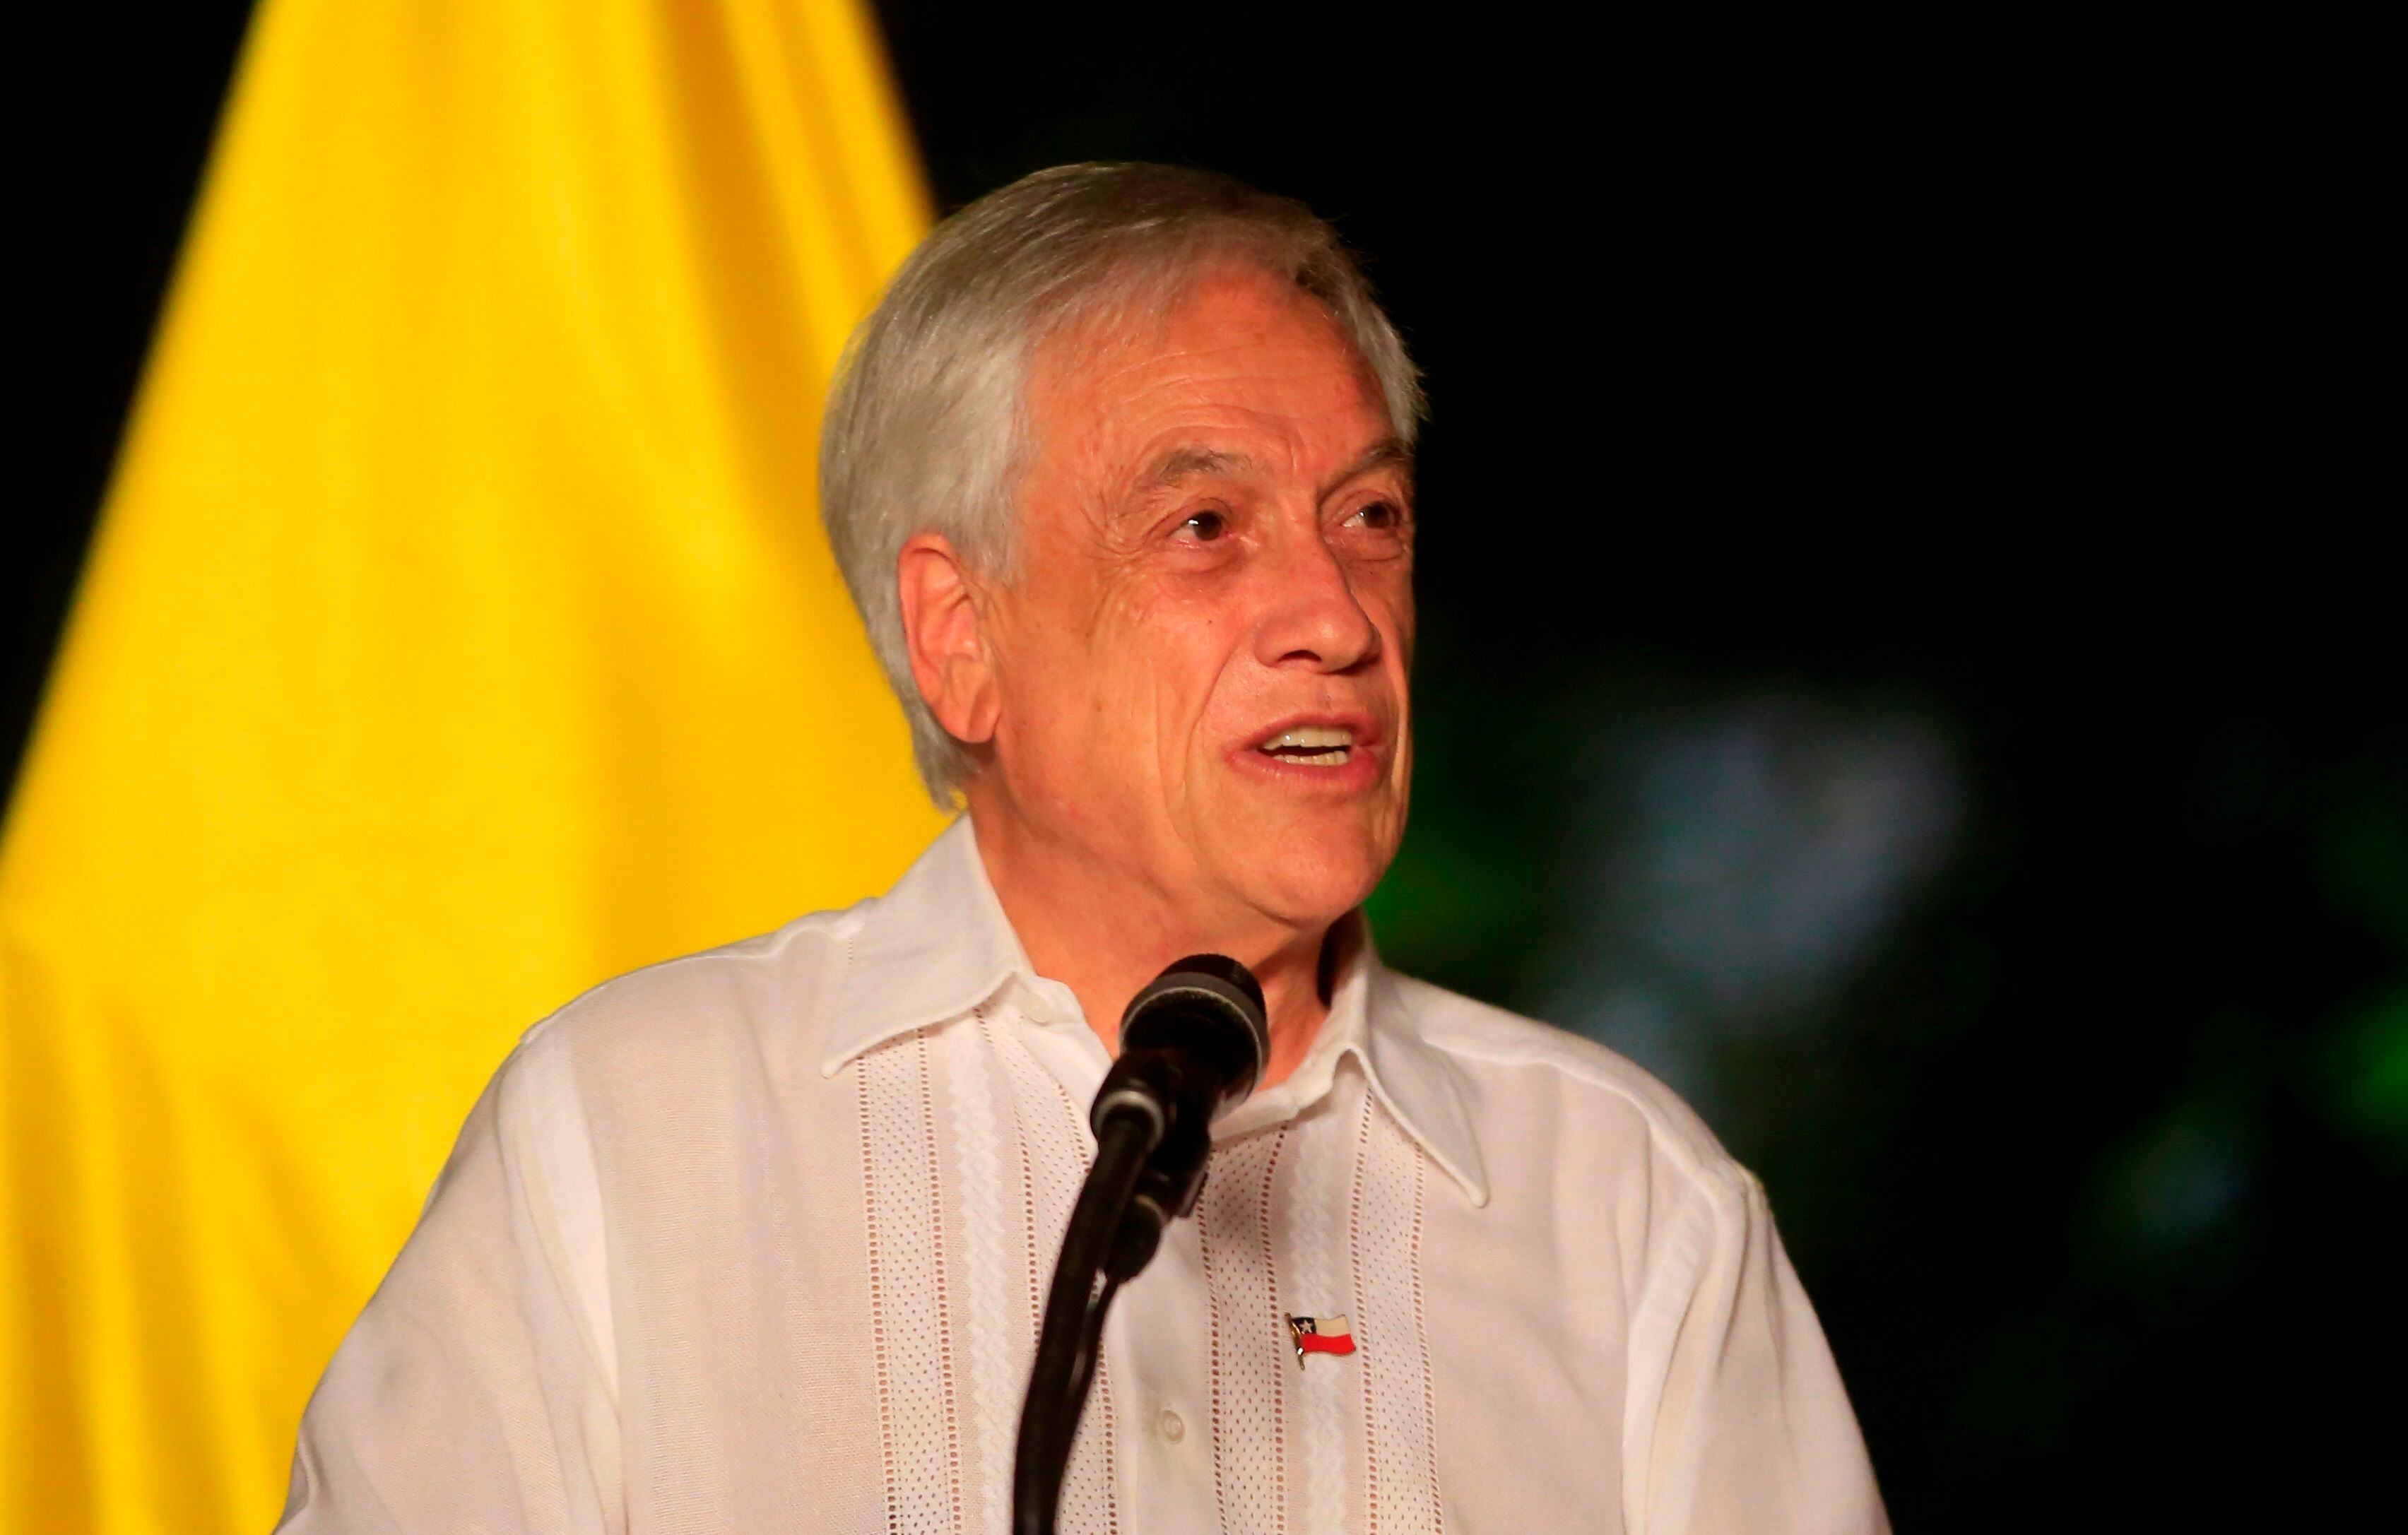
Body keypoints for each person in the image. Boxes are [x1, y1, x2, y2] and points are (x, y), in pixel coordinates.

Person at [278, 162, 1887, 1533]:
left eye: (1370, 519)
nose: (1336, 617)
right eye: (1206, 528)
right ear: (960, 638)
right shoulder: (629, 1143)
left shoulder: (1627, 1206)